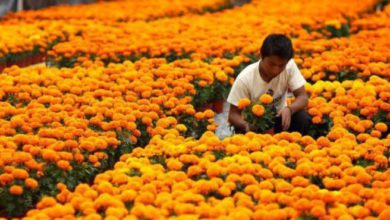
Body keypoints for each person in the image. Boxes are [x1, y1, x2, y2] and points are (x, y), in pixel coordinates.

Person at [227, 33, 311, 135]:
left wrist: (289, 109)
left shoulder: (289, 67)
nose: (275, 70)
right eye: (271, 64)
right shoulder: (245, 78)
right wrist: (246, 125)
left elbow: (303, 97)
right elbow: (233, 115)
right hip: (255, 123)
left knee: (302, 118)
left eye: (281, 65)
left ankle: (293, 147)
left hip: (279, 119)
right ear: (261, 55)